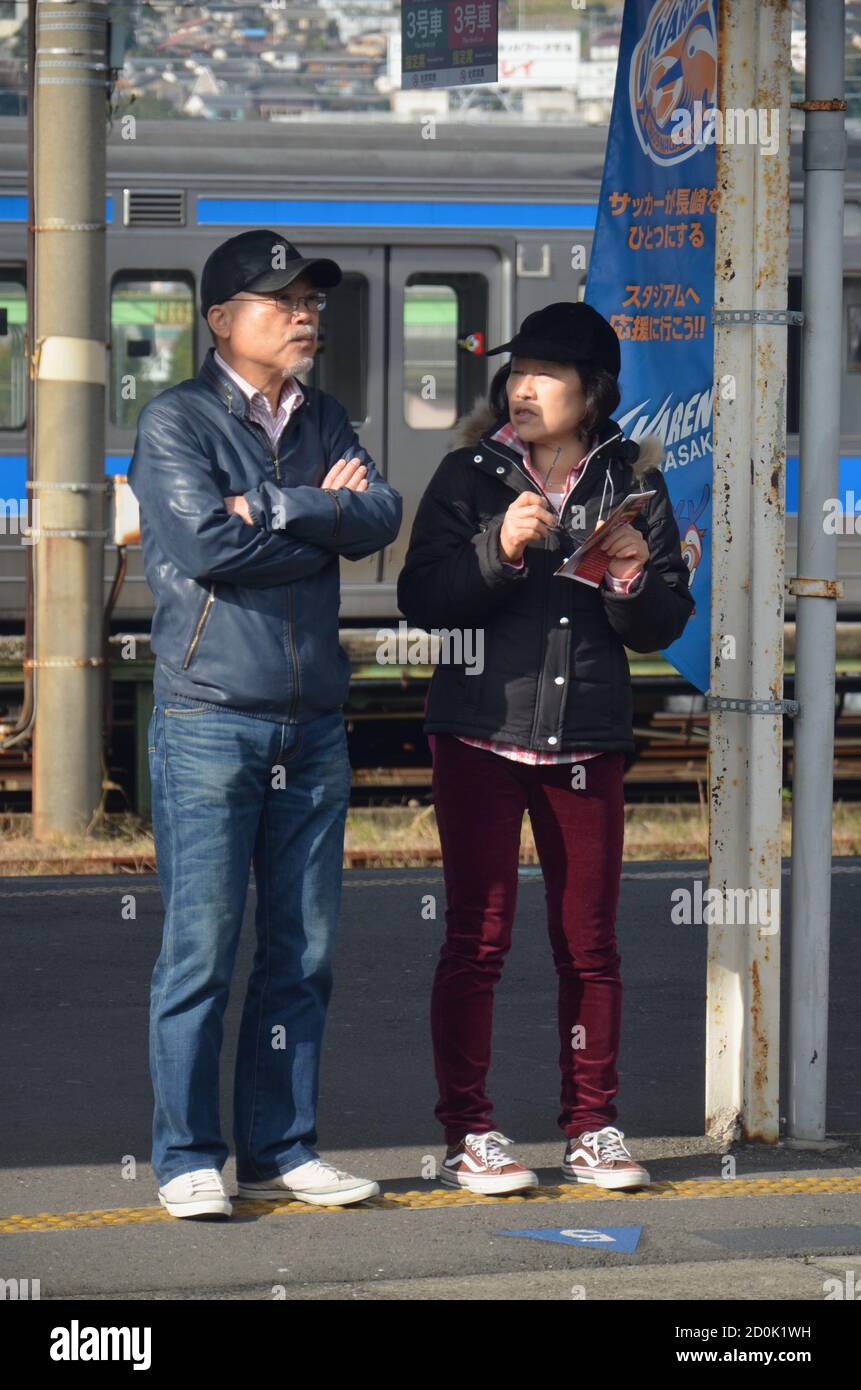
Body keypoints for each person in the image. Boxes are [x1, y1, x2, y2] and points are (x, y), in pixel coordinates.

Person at [129, 229, 402, 1218]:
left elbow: (380, 514)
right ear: (220, 320)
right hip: (209, 717)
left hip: (313, 722)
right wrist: (314, 519)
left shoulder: (325, 414)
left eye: (310, 299)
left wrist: (274, 507)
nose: (304, 313)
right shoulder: (176, 423)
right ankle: (187, 1154)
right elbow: (204, 547)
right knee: (199, 949)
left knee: (304, 952)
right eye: (282, 298)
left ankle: (284, 1146)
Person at [397, 302, 694, 1195]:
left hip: (585, 739)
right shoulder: (467, 475)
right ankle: (469, 1133)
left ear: (592, 393)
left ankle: (592, 1127)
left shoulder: (631, 481)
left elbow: (663, 625)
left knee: (589, 945)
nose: (521, 390)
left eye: (545, 377)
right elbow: (422, 599)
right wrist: (497, 547)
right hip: (478, 734)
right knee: (476, 941)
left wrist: (636, 571)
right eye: (514, 373)